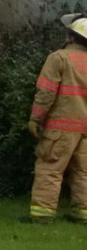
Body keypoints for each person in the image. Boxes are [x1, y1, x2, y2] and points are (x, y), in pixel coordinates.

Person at [25, 13, 87, 225]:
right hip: (85, 130)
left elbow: (46, 92)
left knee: (50, 168)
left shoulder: (59, 58)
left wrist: (35, 119)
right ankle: (83, 214)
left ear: (71, 37)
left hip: (60, 128)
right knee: (83, 172)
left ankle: (42, 215)